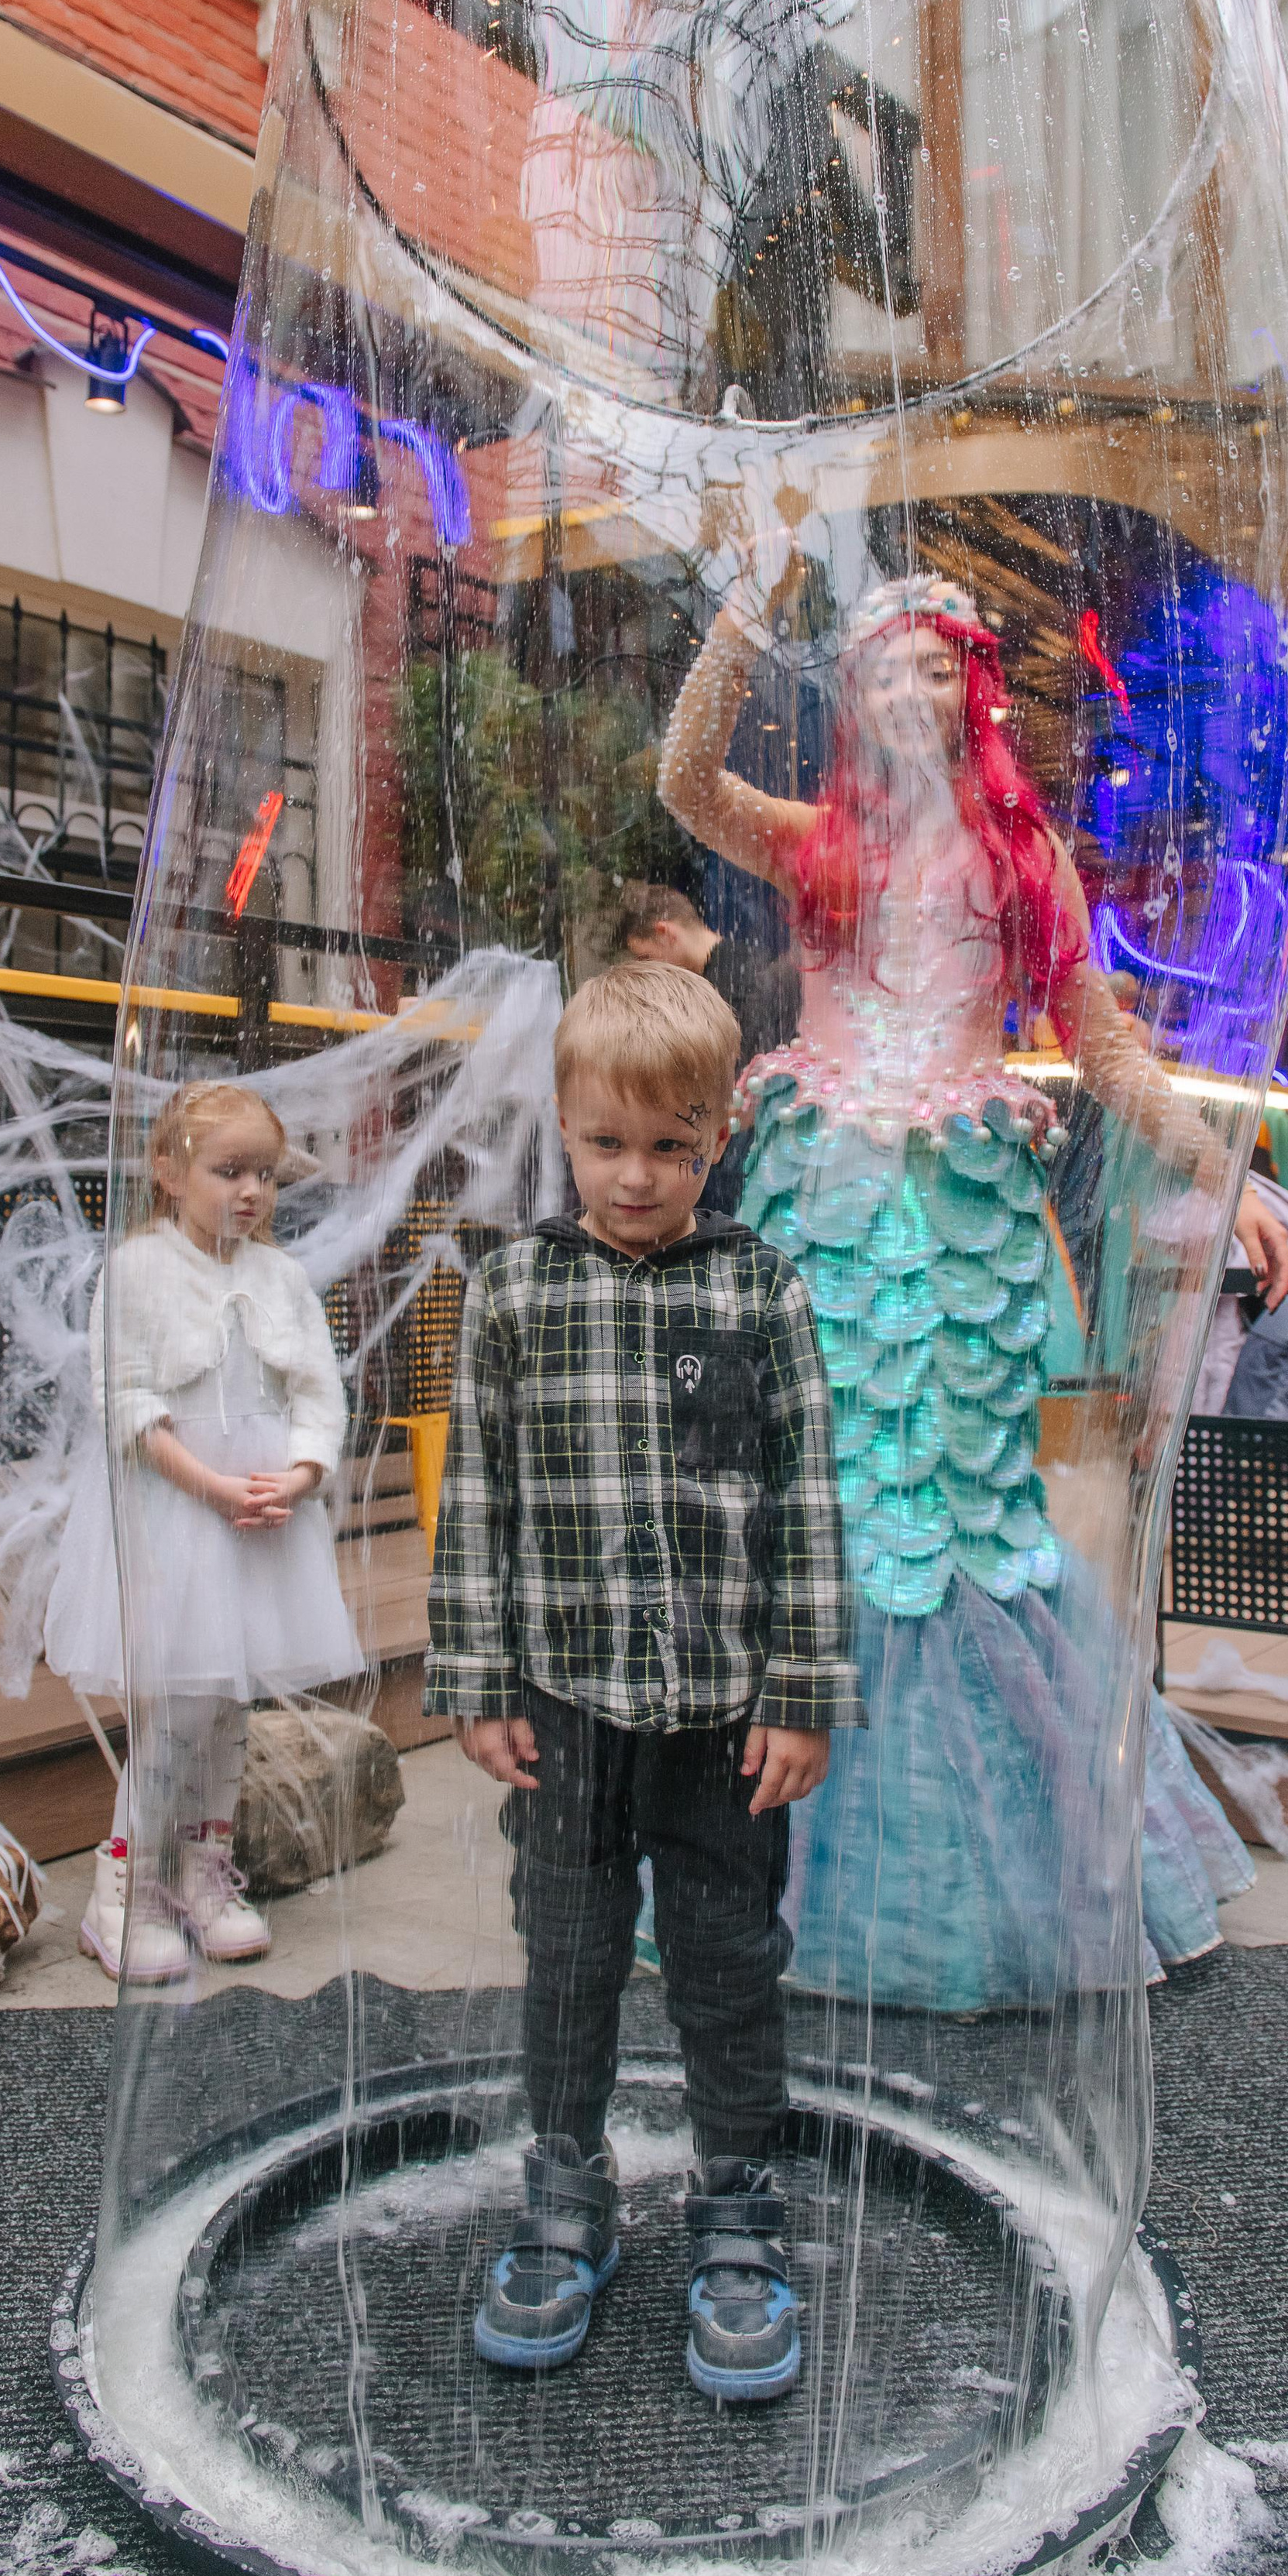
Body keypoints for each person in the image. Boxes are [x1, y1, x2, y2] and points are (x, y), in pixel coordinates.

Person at [658, 553, 1288, 2012]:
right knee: (823, 1495)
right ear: (854, 697)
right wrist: (752, 611)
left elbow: (1106, 1043)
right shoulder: (817, 843)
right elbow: (687, 778)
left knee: (960, 1510)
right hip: (824, 1199)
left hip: (960, 1210)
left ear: (974, 693)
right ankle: (780, 1855)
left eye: (938, 664)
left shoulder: (1024, 863)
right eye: (884, 665)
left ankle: (970, 1882)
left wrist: (1216, 1165)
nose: (911, 686)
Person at [424, 960, 857, 2401]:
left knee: (732, 1959)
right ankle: (566, 2185)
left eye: (673, 1146)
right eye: (609, 1143)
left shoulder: (760, 1289)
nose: (637, 1175)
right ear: (563, 1124)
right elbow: (477, 1493)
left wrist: (801, 1688)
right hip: (563, 1701)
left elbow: (808, 1501)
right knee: (569, 1950)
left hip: (727, 1713)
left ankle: (738, 2198)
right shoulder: (515, 1289)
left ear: (718, 1136)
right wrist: (477, 1676)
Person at [46, 1081, 362, 1983]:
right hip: (178, 1514)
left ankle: (200, 1867)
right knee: (175, 1708)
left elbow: (316, 1392)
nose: (251, 1192)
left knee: (225, 1705)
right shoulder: (138, 1271)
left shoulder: (281, 1278)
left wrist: (299, 1477)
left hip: (259, 1518)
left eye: (264, 1174)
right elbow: (129, 1404)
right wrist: (212, 1486)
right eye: (229, 1171)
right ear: (169, 1171)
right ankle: (125, 1885)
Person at [614, 881, 802, 1215]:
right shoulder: (740, 967)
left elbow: (739, 1088)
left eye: (646, 956)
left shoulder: (729, 983)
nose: (651, 969)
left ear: (666, 932)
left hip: (743, 1156)